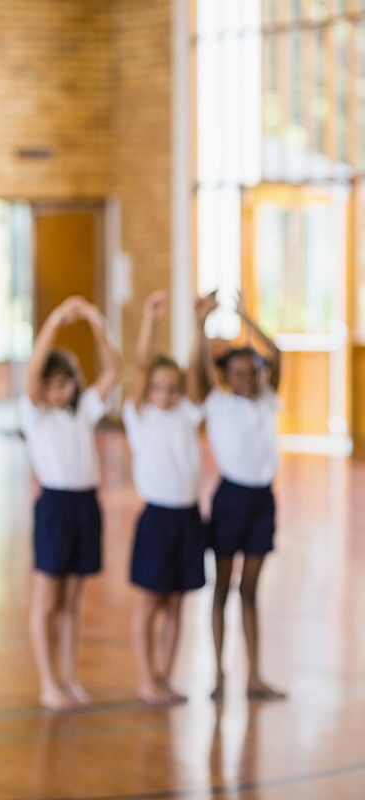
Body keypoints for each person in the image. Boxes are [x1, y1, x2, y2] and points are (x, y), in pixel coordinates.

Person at [20, 296, 121, 711]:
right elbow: (31, 370)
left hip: (85, 505)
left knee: (73, 601)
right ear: (42, 388)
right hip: (56, 508)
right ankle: (48, 682)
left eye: (67, 383)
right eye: (54, 383)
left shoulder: (83, 413)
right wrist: (55, 322)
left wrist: (98, 321)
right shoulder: (35, 415)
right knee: (47, 600)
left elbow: (113, 370)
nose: (62, 390)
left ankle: (69, 677)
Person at [193, 290, 286, 701]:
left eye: (254, 372)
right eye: (240, 373)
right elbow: (198, 370)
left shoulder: (267, 401)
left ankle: (254, 676)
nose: (248, 380)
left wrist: (247, 317)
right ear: (227, 378)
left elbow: (278, 353)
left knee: (249, 591)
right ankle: (217, 674)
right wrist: (202, 324)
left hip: (262, 500)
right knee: (222, 588)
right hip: (230, 499)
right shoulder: (217, 403)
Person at [123, 290, 207, 706]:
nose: (166, 394)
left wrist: (199, 323)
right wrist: (150, 320)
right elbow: (141, 367)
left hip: (189, 519)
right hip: (157, 520)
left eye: (172, 388)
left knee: (176, 602)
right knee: (151, 601)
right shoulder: (140, 416)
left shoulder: (188, 414)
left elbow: (193, 369)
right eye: (158, 388)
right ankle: (146, 677)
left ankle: (166, 675)